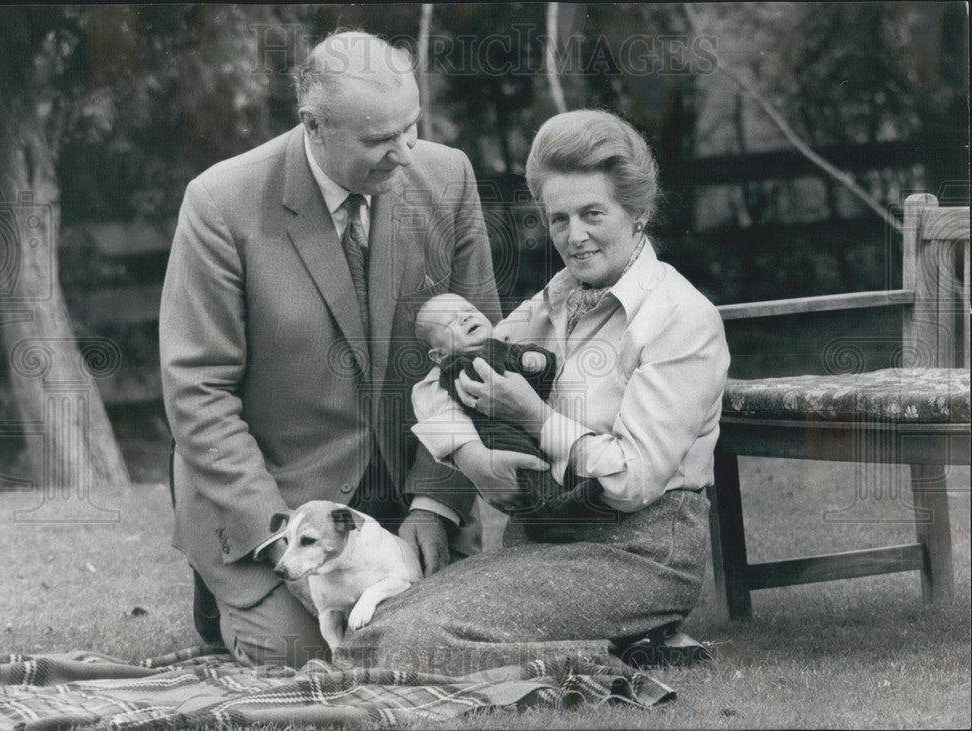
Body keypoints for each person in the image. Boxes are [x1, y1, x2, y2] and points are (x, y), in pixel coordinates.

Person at [159, 30, 510, 668]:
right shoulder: (219, 205)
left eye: (411, 127)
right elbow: (197, 394)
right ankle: (228, 586)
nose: (404, 153)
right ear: (313, 126)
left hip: (407, 499)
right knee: (312, 657)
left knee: (436, 646)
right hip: (281, 506)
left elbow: (481, 363)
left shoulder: (448, 177)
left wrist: (434, 504)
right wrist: (283, 543)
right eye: (378, 140)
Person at [340, 109, 730, 675]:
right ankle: (630, 646)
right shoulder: (555, 300)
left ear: (638, 212)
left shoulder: (680, 318)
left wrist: (534, 415)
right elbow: (436, 384)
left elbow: (633, 480)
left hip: (639, 551)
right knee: (381, 623)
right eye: (559, 219)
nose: (575, 237)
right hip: (539, 541)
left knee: (416, 641)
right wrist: (472, 455)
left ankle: (606, 659)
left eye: (593, 213)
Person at [414, 293, 605, 539]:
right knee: (527, 473)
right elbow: (435, 400)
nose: (464, 318)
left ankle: (564, 502)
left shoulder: (499, 345)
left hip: (528, 427)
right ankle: (551, 517)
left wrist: (535, 360)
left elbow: (533, 371)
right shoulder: (452, 369)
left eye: (469, 309)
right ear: (438, 356)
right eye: (450, 322)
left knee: (548, 462)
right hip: (498, 438)